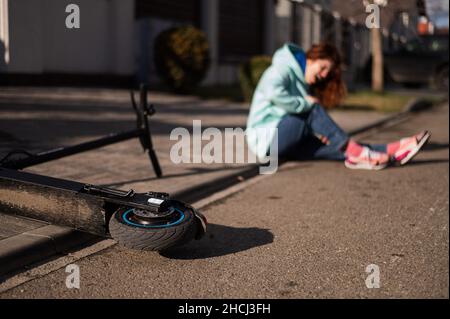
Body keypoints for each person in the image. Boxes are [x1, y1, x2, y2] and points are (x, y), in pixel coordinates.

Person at [246, 42, 430, 170]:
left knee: (338, 147)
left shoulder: (303, 82)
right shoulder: (282, 67)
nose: (325, 75)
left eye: (328, 72)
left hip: (283, 143)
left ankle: (394, 150)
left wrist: (321, 132)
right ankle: (358, 153)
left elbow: (291, 117)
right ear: (312, 57)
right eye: (324, 67)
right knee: (312, 107)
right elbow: (274, 94)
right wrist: (305, 103)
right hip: (266, 140)